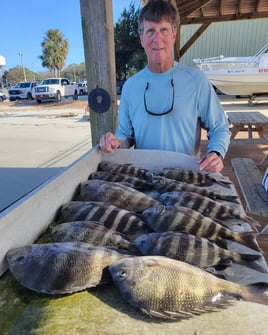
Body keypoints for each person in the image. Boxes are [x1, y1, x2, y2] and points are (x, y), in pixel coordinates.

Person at [99, 0, 230, 173]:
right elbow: (125, 135)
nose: (157, 39)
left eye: (164, 30)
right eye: (150, 31)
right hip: (143, 179)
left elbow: (220, 127)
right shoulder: (130, 87)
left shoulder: (196, 80)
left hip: (185, 178)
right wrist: (115, 141)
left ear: (174, 35)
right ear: (141, 37)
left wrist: (216, 153)